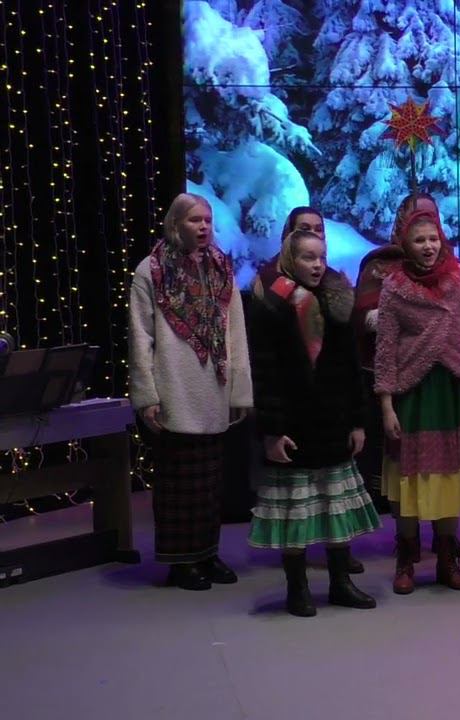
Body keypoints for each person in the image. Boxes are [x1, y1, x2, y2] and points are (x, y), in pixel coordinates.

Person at [245, 228, 381, 616]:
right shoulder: (271, 303)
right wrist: (272, 431)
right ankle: (298, 588)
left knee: (335, 507)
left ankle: (341, 582)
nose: (318, 265)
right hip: (294, 426)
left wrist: (357, 422)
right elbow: (264, 372)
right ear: (290, 259)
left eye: (321, 257)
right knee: (296, 512)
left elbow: (350, 368)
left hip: (333, 422)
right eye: (308, 257)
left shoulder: (337, 298)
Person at [128, 192, 251, 591]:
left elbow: (235, 331)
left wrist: (240, 390)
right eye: (195, 220)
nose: (203, 227)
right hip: (174, 386)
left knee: (210, 482)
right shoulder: (151, 270)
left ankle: (206, 554)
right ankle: (180, 561)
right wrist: (147, 395)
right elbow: (140, 336)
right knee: (178, 483)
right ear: (175, 223)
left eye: (208, 220)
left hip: (212, 386)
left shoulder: (219, 267)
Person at [375, 210, 460, 592]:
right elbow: (385, 349)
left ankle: (446, 557)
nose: (428, 247)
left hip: (455, 390)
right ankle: (406, 557)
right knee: (409, 477)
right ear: (405, 245)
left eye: (433, 239)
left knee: (450, 476)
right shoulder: (394, 287)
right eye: (419, 240)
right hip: (413, 392)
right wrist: (386, 404)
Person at [353, 192, 460, 558]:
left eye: (431, 219)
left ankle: (445, 538)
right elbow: (365, 317)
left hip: (447, 378)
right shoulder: (382, 266)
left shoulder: (454, 270)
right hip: (400, 377)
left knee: (446, 463)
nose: (426, 237)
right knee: (406, 464)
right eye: (416, 219)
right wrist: (404, 317)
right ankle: (407, 543)